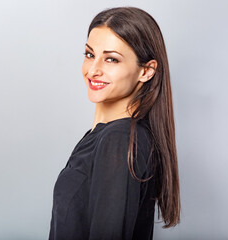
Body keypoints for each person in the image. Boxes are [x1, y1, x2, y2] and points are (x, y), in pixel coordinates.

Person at [49, 6, 180, 240]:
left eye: (111, 59)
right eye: (90, 54)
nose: (93, 70)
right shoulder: (106, 136)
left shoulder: (118, 140)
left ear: (146, 72)